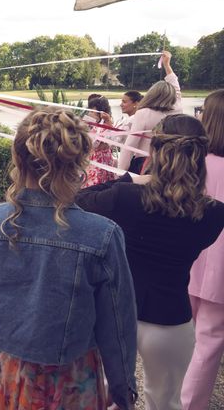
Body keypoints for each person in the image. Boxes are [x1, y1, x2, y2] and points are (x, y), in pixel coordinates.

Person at [0, 107, 137, 409]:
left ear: (18, 158)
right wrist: (123, 392)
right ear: (79, 162)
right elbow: (118, 329)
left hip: (5, 371)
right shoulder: (101, 235)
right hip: (70, 380)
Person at [76, 114, 224, 410]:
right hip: (170, 320)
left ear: (154, 151)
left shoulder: (125, 197)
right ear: (200, 156)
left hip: (116, 316)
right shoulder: (214, 213)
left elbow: (76, 200)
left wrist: (131, 178)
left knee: (99, 398)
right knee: (166, 403)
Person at [182, 89, 224, 409]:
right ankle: (189, 404)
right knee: (208, 341)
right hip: (219, 266)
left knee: (187, 335)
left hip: (186, 255)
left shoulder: (192, 163)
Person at [117, 51, 182, 173]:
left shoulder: (144, 113)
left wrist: (120, 172)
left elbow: (131, 144)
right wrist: (167, 65)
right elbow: (176, 88)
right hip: (169, 164)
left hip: (144, 165)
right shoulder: (177, 110)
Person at [83, 95, 116, 187]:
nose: (90, 113)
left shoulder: (105, 125)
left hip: (100, 160)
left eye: (92, 111)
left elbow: (95, 144)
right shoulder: (92, 124)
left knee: (99, 181)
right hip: (93, 158)